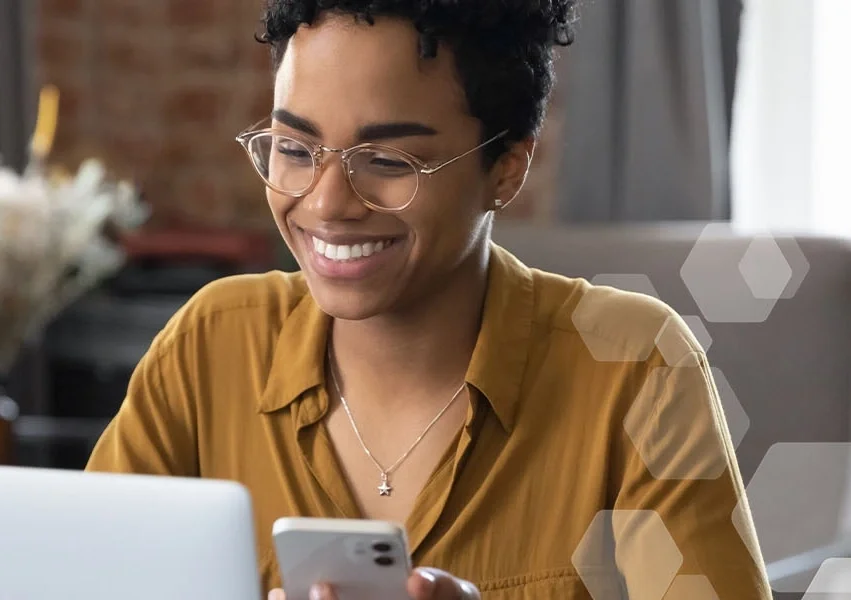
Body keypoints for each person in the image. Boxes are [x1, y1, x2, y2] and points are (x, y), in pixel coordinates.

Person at [86, 1, 773, 598]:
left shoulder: (630, 370)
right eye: (294, 147)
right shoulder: (212, 345)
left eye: (387, 163)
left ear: (505, 169)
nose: (325, 205)